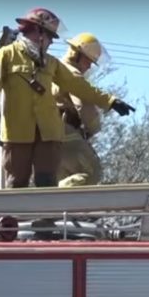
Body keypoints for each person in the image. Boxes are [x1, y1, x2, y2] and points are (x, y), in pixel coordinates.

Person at [0, 8, 135, 190]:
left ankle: (48, 210)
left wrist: (110, 101)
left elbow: (78, 85)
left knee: (47, 182)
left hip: (49, 134)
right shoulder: (6, 55)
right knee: (16, 183)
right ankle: (17, 210)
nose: (52, 42)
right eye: (50, 36)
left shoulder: (51, 63)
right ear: (38, 32)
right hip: (17, 133)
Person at [53, 32, 107, 187]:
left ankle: (56, 197)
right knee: (91, 173)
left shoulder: (54, 69)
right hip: (65, 133)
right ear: (76, 54)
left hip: (49, 136)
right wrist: (93, 127)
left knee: (64, 177)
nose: (89, 66)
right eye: (88, 60)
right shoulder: (71, 73)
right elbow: (84, 104)